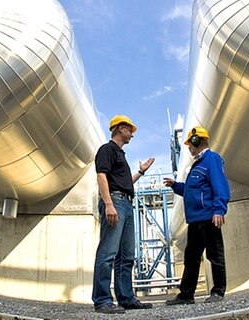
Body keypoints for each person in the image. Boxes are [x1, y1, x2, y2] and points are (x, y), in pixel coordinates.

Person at [92, 115, 155, 314]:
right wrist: (109, 204)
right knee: (108, 252)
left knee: (126, 256)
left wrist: (141, 172)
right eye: (130, 130)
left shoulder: (121, 155)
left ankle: (126, 298)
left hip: (126, 203)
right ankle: (102, 300)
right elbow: (101, 175)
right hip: (116, 202)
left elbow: (125, 184)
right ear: (120, 128)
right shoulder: (107, 149)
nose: (132, 135)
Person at [164, 126, 230, 305]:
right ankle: (186, 295)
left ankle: (218, 291)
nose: (188, 148)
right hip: (194, 220)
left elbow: (220, 185)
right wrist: (175, 186)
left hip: (209, 217)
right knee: (191, 257)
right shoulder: (197, 165)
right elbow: (191, 190)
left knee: (215, 255)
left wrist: (218, 210)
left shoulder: (212, 159)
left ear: (196, 141)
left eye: (190, 144)